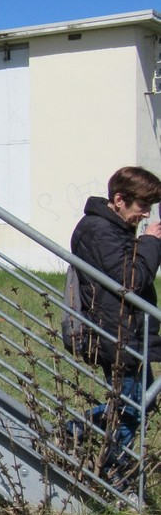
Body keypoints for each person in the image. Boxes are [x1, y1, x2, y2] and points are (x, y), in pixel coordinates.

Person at [68, 165, 161, 480]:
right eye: (141, 207)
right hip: (116, 335)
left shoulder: (113, 229)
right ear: (119, 199)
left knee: (138, 404)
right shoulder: (99, 230)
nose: (145, 214)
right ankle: (110, 473)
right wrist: (150, 242)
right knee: (130, 409)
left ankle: (74, 432)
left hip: (127, 333)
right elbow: (130, 280)